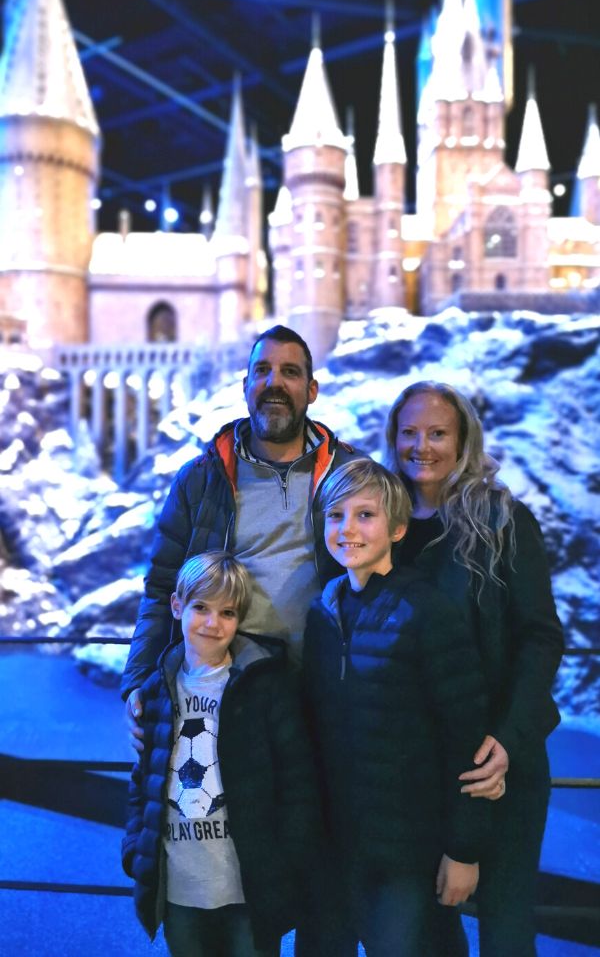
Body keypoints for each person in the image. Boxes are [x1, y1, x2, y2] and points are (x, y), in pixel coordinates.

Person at [384, 381, 564, 957]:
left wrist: (509, 741)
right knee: (430, 933)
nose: (422, 446)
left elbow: (540, 639)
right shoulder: (380, 527)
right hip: (421, 774)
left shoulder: (505, 522)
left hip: (500, 766)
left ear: (462, 440)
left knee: (506, 933)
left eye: (438, 433)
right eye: (409, 433)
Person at [121, 324, 361, 750]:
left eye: (290, 372)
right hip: (227, 697)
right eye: (263, 370)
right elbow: (162, 588)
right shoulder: (201, 479)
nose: (275, 383)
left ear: (312, 389)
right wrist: (138, 680)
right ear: (245, 384)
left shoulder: (350, 474)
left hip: (326, 695)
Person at [302, 458, 492, 957]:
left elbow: (467, 742)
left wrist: (463, 851)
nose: (347, 529)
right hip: (335, 851)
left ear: (398, 528)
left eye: (365, 515)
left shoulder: (427, 614)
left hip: (409, 854)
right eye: (336, 515)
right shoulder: (322, 613)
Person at [122, 550, 320, 957]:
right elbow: (144, 780)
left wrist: (286, 860)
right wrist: (134, 849)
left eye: (227, 613)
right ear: (177, 607)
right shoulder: (159, 689)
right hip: (179, 888)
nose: (213, 623)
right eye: (201, 608)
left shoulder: (264, 686)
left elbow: (298, 783)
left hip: (247, 889)